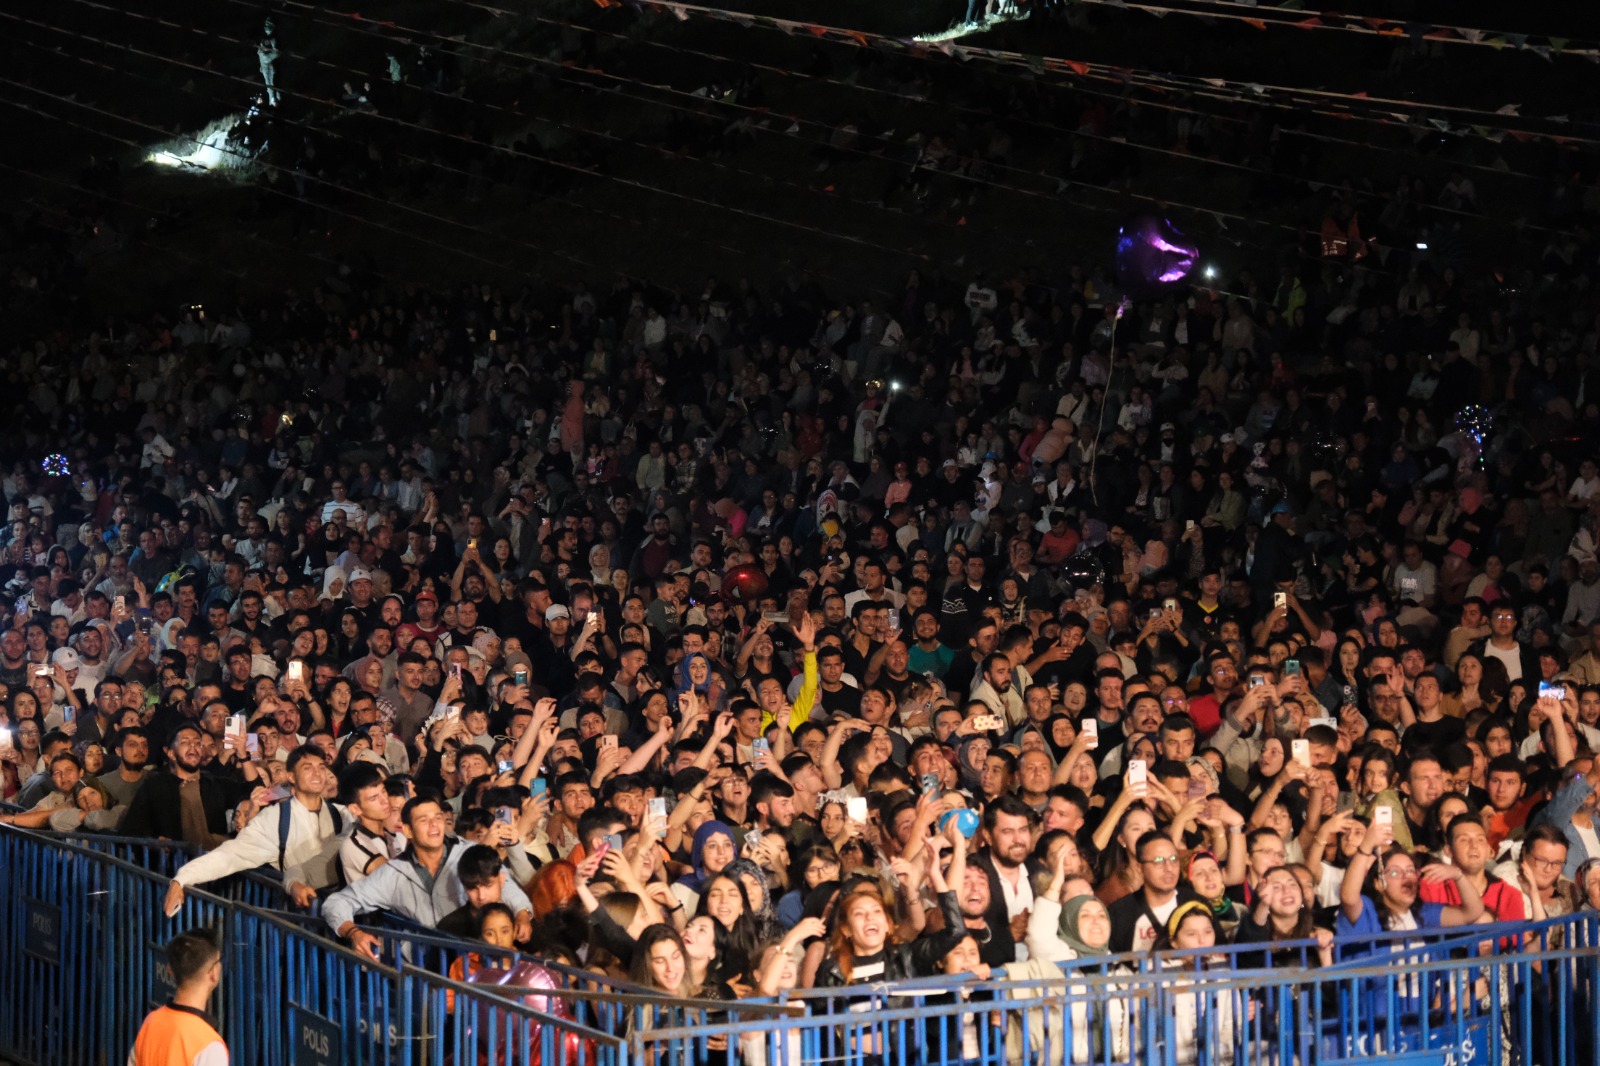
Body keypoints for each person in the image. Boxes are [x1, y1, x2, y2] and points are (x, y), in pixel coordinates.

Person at [322, 794, 535, 957]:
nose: (434, 825)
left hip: (472, 959)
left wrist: (523, 913)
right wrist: (352, 932)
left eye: (438, 818)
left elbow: (502, 883)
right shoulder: (393, 872)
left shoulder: (467, 851)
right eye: (424, 820)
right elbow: (337, 902)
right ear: (408, 830)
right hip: (423, 968)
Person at [162, 747, 344, 915]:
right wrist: (183, 878)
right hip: (298, 912)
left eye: (321, 767)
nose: (317, 773)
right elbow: (231, 855)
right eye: (307, 767)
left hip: (338, 909)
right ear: (291, 777)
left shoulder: (341, 814)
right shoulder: (275, 818)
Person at [127, 928, 228, 1065]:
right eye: (218, 961)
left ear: (171, 970)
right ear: (213, 973)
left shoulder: (151, 1023)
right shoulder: (210, 1047)